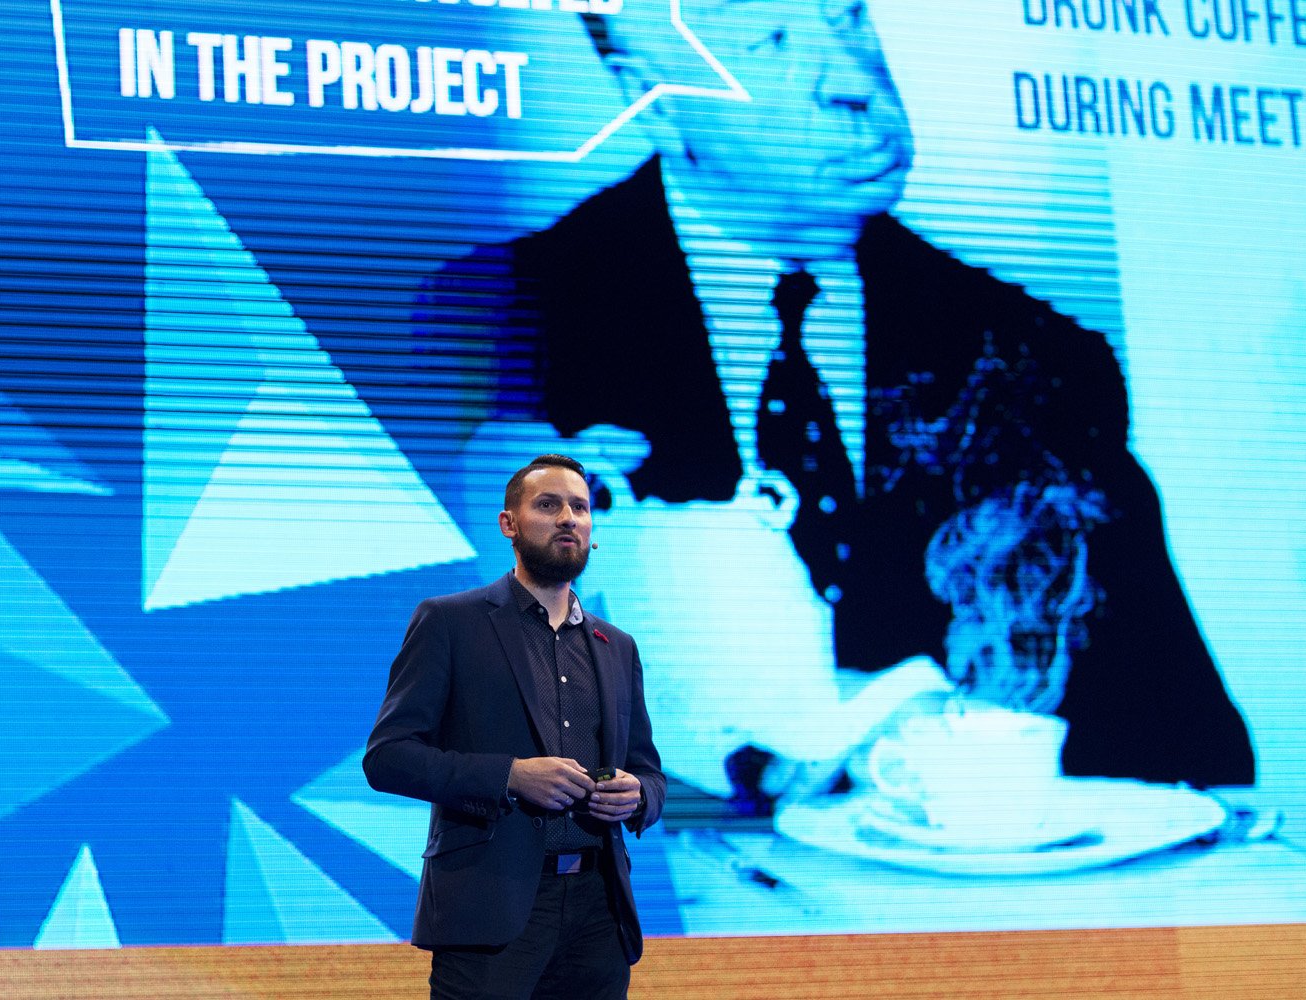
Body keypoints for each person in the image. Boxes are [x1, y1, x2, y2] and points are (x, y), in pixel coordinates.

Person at [414, 0, 1254, 798]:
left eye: (848, 16)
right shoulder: (489, 324)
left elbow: (1183, 748)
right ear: (653, 98)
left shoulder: (1038, 357)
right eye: (769, 42)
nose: (854, 81)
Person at [364, 454, 665, 999]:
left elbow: (648, 770)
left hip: (599, 910)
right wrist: (510, 776)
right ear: (509, 524)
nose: (568, 518)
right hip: (489, 904)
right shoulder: (450, 621)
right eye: (548, 505)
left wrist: (638, 796)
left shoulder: (617, 646)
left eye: (579, 507)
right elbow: (388, 757)